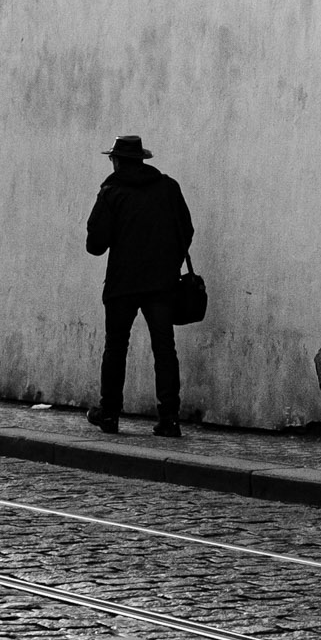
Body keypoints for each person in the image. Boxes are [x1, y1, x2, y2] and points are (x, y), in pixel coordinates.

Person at [84, 135, 194, 437]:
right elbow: (186, 230)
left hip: (122, 284)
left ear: (117, 161)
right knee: (165, 348)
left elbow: (95, 245)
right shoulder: (168, 188)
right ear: (142, 160)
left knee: (116, 347)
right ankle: (169, 418)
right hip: (161, 283)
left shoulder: (112, 192)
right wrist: (169, 263)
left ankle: (109, 413)